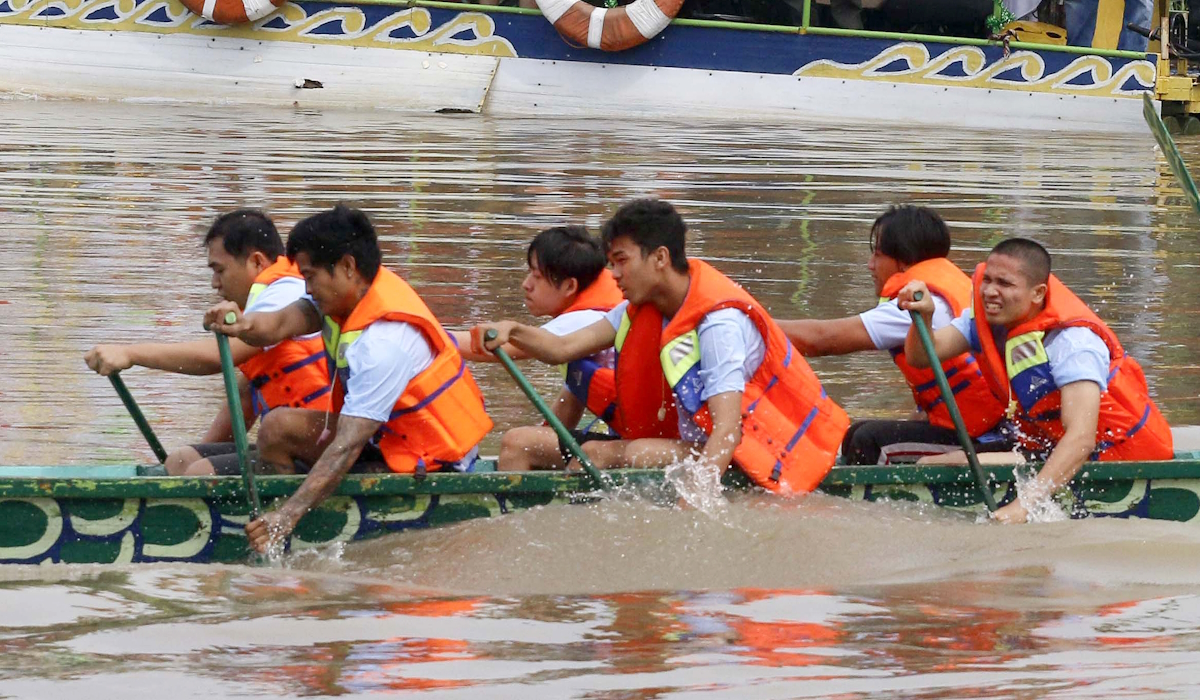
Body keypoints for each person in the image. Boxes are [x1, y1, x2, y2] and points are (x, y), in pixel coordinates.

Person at [476, 198, 850, 494]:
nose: (614, 275)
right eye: (610, 262)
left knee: (617, 451)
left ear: (660, 258)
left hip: (750, 452)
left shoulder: (718, 324)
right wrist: (513, 331)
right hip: (678, 445)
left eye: (621, 261)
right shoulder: (639, 308)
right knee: (518, 443)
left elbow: (727, 433)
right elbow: (561, 348)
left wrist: (696, 506)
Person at [205, 205, 492, 552]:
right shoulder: (342, 298)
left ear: (347, 268)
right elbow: (278, 324)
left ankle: (279, 532)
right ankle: (277, 523)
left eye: (310, 276)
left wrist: (288, 515)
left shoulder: (384, 341)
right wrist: (243, 324)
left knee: (291, 442)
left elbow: (346, 446)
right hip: (386, 436)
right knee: (278, 427)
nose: (306, 287)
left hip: (429, 461)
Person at [898, 237, 1174, 523]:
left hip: (1118, 457)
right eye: (987, 280)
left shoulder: (1073, 342)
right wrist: (925, 317)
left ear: (1038, 293)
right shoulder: (985, 320)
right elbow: (921, 356)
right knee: (937, 463)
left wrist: (1024, 506)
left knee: (942, 462)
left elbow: (1081, 438)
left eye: (1004, 284)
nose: (990, 292)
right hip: (1045, 447)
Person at [84, 210, 331, 475]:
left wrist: (130, 354)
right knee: (181, 461)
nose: (214, 284)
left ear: (257, 263)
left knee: (201, 472)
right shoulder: (265, 301)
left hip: (321, 442)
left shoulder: (287, 292)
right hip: (288, 442)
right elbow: (245, 397)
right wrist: (193, 464)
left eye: (219, 270)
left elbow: (217, 357)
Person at [777, 205, 1008, 465]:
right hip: (989, 426)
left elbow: (822, 340)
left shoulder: (911, 306)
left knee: (869, 440)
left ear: (905, 260)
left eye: (877, 254)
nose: (870, 265)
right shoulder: (954, 286)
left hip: (983, 438)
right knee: (857, 433)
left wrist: (752, 322)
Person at [451, 225, 677, 471]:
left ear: (570, 286)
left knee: (517, 444)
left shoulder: (585, 319)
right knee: (529, 443)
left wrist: (424, 333)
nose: (525, 285)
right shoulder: (606, 314)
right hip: (638, 439)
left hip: (653, 447)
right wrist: (540, 446)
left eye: (537, 277)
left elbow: (498, 349)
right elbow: (569, 405)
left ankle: (511, 508)